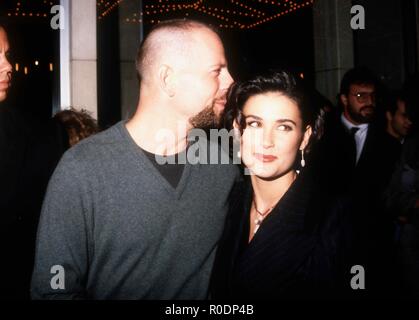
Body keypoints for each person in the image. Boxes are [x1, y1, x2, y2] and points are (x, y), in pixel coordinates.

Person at [31, 19, 237, 300]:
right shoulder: (82, 169)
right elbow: (52, 290)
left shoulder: (223, 164)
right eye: (217, 71)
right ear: (168, 79)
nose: (230, 81)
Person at [210, 70, 347, 299]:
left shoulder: (333, 217)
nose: (266, 142)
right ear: (237, 129)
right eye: (255, 124)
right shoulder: (226, 202)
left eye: (283, 127)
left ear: (305, 138)